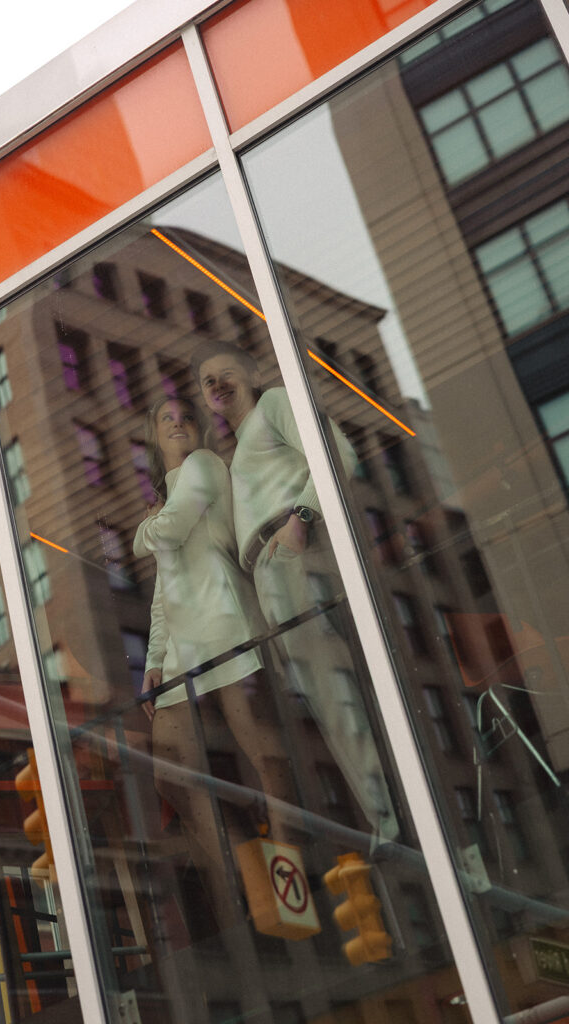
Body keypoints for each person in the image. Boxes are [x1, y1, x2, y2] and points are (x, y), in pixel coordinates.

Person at [191, 341, 398, 841]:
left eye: (226, 372)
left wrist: (302, 517)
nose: (216, 384)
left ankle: (393, 817)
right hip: (272, 568)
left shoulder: (275, 404)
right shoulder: (239, 448)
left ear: (254, 374)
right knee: (325, 697)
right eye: (207, 380)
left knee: (339, 687)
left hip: (296, 551)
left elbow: (338, 453)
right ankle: (384, 815)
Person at [133, 395, 298, 926]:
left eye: (186, 416)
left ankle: (289, 891)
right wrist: (154, 659)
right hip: (183, 650)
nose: (178, 422)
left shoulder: (204, 466)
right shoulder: (168, 495)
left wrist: (143, 529)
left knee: (266, 759)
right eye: (166, 418)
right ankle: (252, 879)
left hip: (227, 626)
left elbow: (164, 534)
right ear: (154, 438)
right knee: (171, 778)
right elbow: (164, 590)